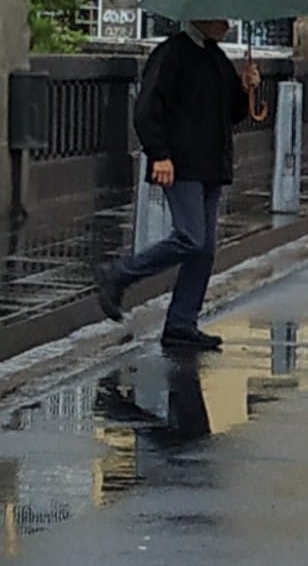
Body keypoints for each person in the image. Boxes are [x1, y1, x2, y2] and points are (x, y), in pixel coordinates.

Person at [93, 19, 260, 351]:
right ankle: (119, 274)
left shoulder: (216, 58)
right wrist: (159, 154)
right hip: (181, 163)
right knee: (190, 236)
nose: (226, 24)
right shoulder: (170, 54)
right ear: (199, 18)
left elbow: (233, 112)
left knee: (205, 249)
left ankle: (182, 323)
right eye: (219, 18)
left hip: (211, 164)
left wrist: (247, 88)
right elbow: (146, 110)